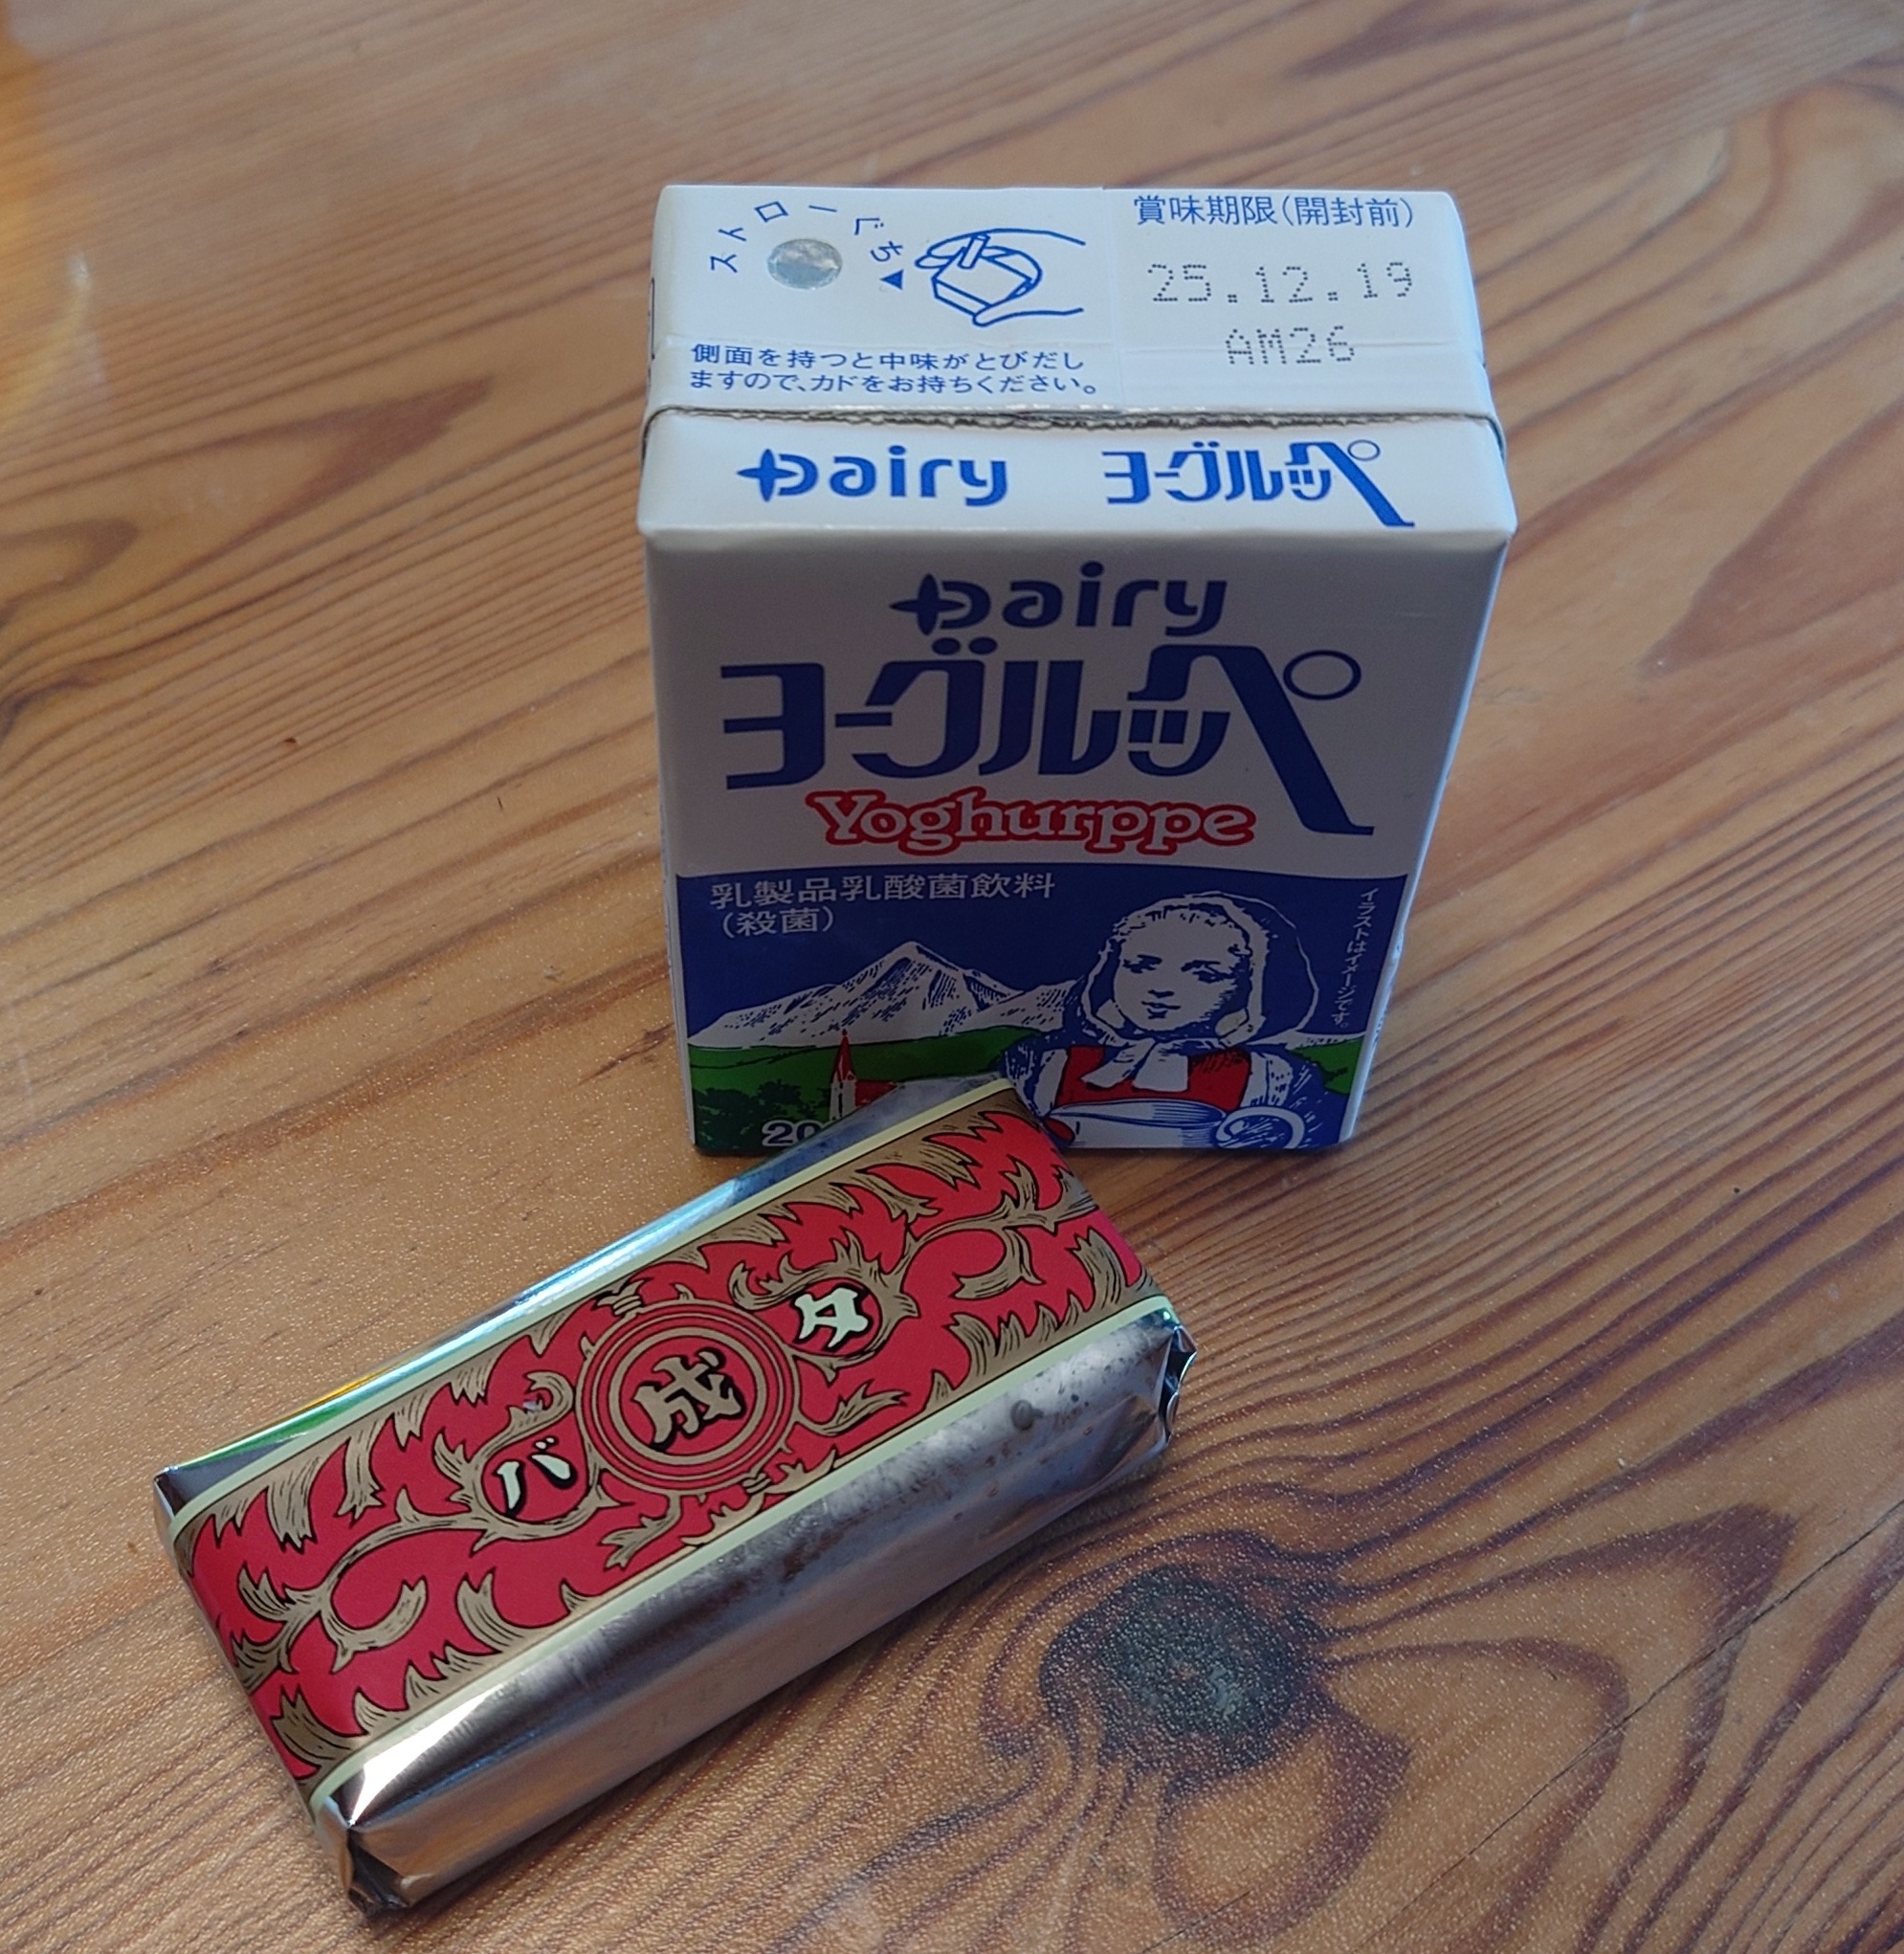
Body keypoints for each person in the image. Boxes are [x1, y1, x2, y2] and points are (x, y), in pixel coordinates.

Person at [1002, 893, 1330, 1147]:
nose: (1161, 987)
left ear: (1254, 986)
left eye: (1204, 974)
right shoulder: (1043, 1063)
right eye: (1140, 967)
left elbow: (1311, 1131)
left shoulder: (1276, 1079)